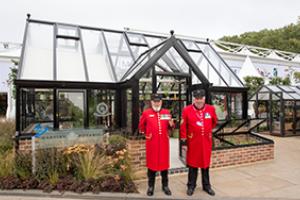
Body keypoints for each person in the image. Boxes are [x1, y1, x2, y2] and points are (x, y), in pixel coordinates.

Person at [180, 89, 218, 196]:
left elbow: (214, 122)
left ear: (204, 98)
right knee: (193, 166)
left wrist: (207, 131)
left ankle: (207, 186)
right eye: (197, 99)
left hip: (206, 142)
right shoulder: (187, 110)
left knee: (205, 165)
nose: (199, 101)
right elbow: (183, 127)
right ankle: (191, 186)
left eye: (201, 98)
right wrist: (184, 142)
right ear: (194, 99)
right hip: (193, 142)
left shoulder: (210, 109)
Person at [139, 93, 174, 196]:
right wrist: (147, 134)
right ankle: (151, 187)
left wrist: (172, 125)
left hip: (163, 143)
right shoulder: (146, 113)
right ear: (151, 102)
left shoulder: (166, 113)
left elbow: (170, 126)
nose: (157, 103)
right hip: (152, 144)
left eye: (158, 101)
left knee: (164, 166)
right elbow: (141, 126)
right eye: (155, 101)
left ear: (161, 102)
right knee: (151, 166)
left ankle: (165, 186)